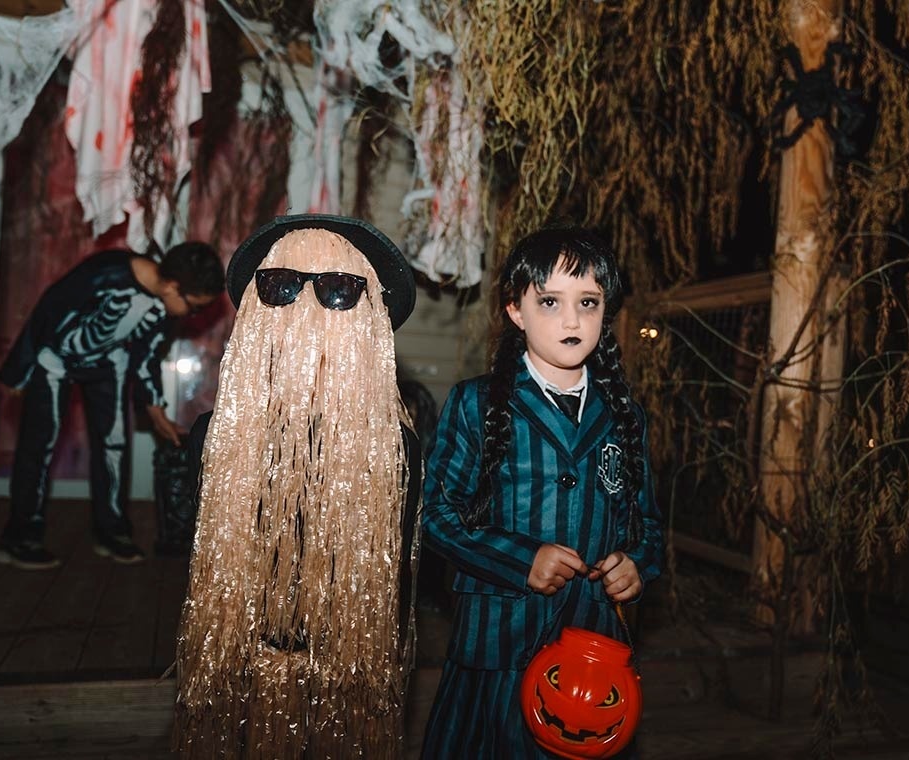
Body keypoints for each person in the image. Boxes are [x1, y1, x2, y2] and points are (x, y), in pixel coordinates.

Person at [174, 215, 421, 759]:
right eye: (280, 285)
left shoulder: (395, 450)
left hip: (344, 684)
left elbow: (392, 594)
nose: (307, 306)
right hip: (245, 677)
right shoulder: (214, 439)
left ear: (369, 318)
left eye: (339, 289)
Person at [419, 226, 663, 758]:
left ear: (605, 311)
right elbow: (433, 513)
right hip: (498, 648)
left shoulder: (625, 417)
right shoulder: (476, 403)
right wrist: (520, 559)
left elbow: (647, 526)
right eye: (550, 301)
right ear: (516, 309)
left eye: (588, 302)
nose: (572, 320)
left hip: (591, 652)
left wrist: (636, 566)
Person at [0, 241, 225, 570]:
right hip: (55, 358)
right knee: (38, 445)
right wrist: (19, 371)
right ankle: (19, 537)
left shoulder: (162, 306)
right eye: (193, 307)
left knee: (114, 445)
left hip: (108, 362)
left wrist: (156, 410)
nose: (191, 315)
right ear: (173, 287)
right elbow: (49, 310)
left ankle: (112, 532)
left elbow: (146, 357)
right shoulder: (104, 272)